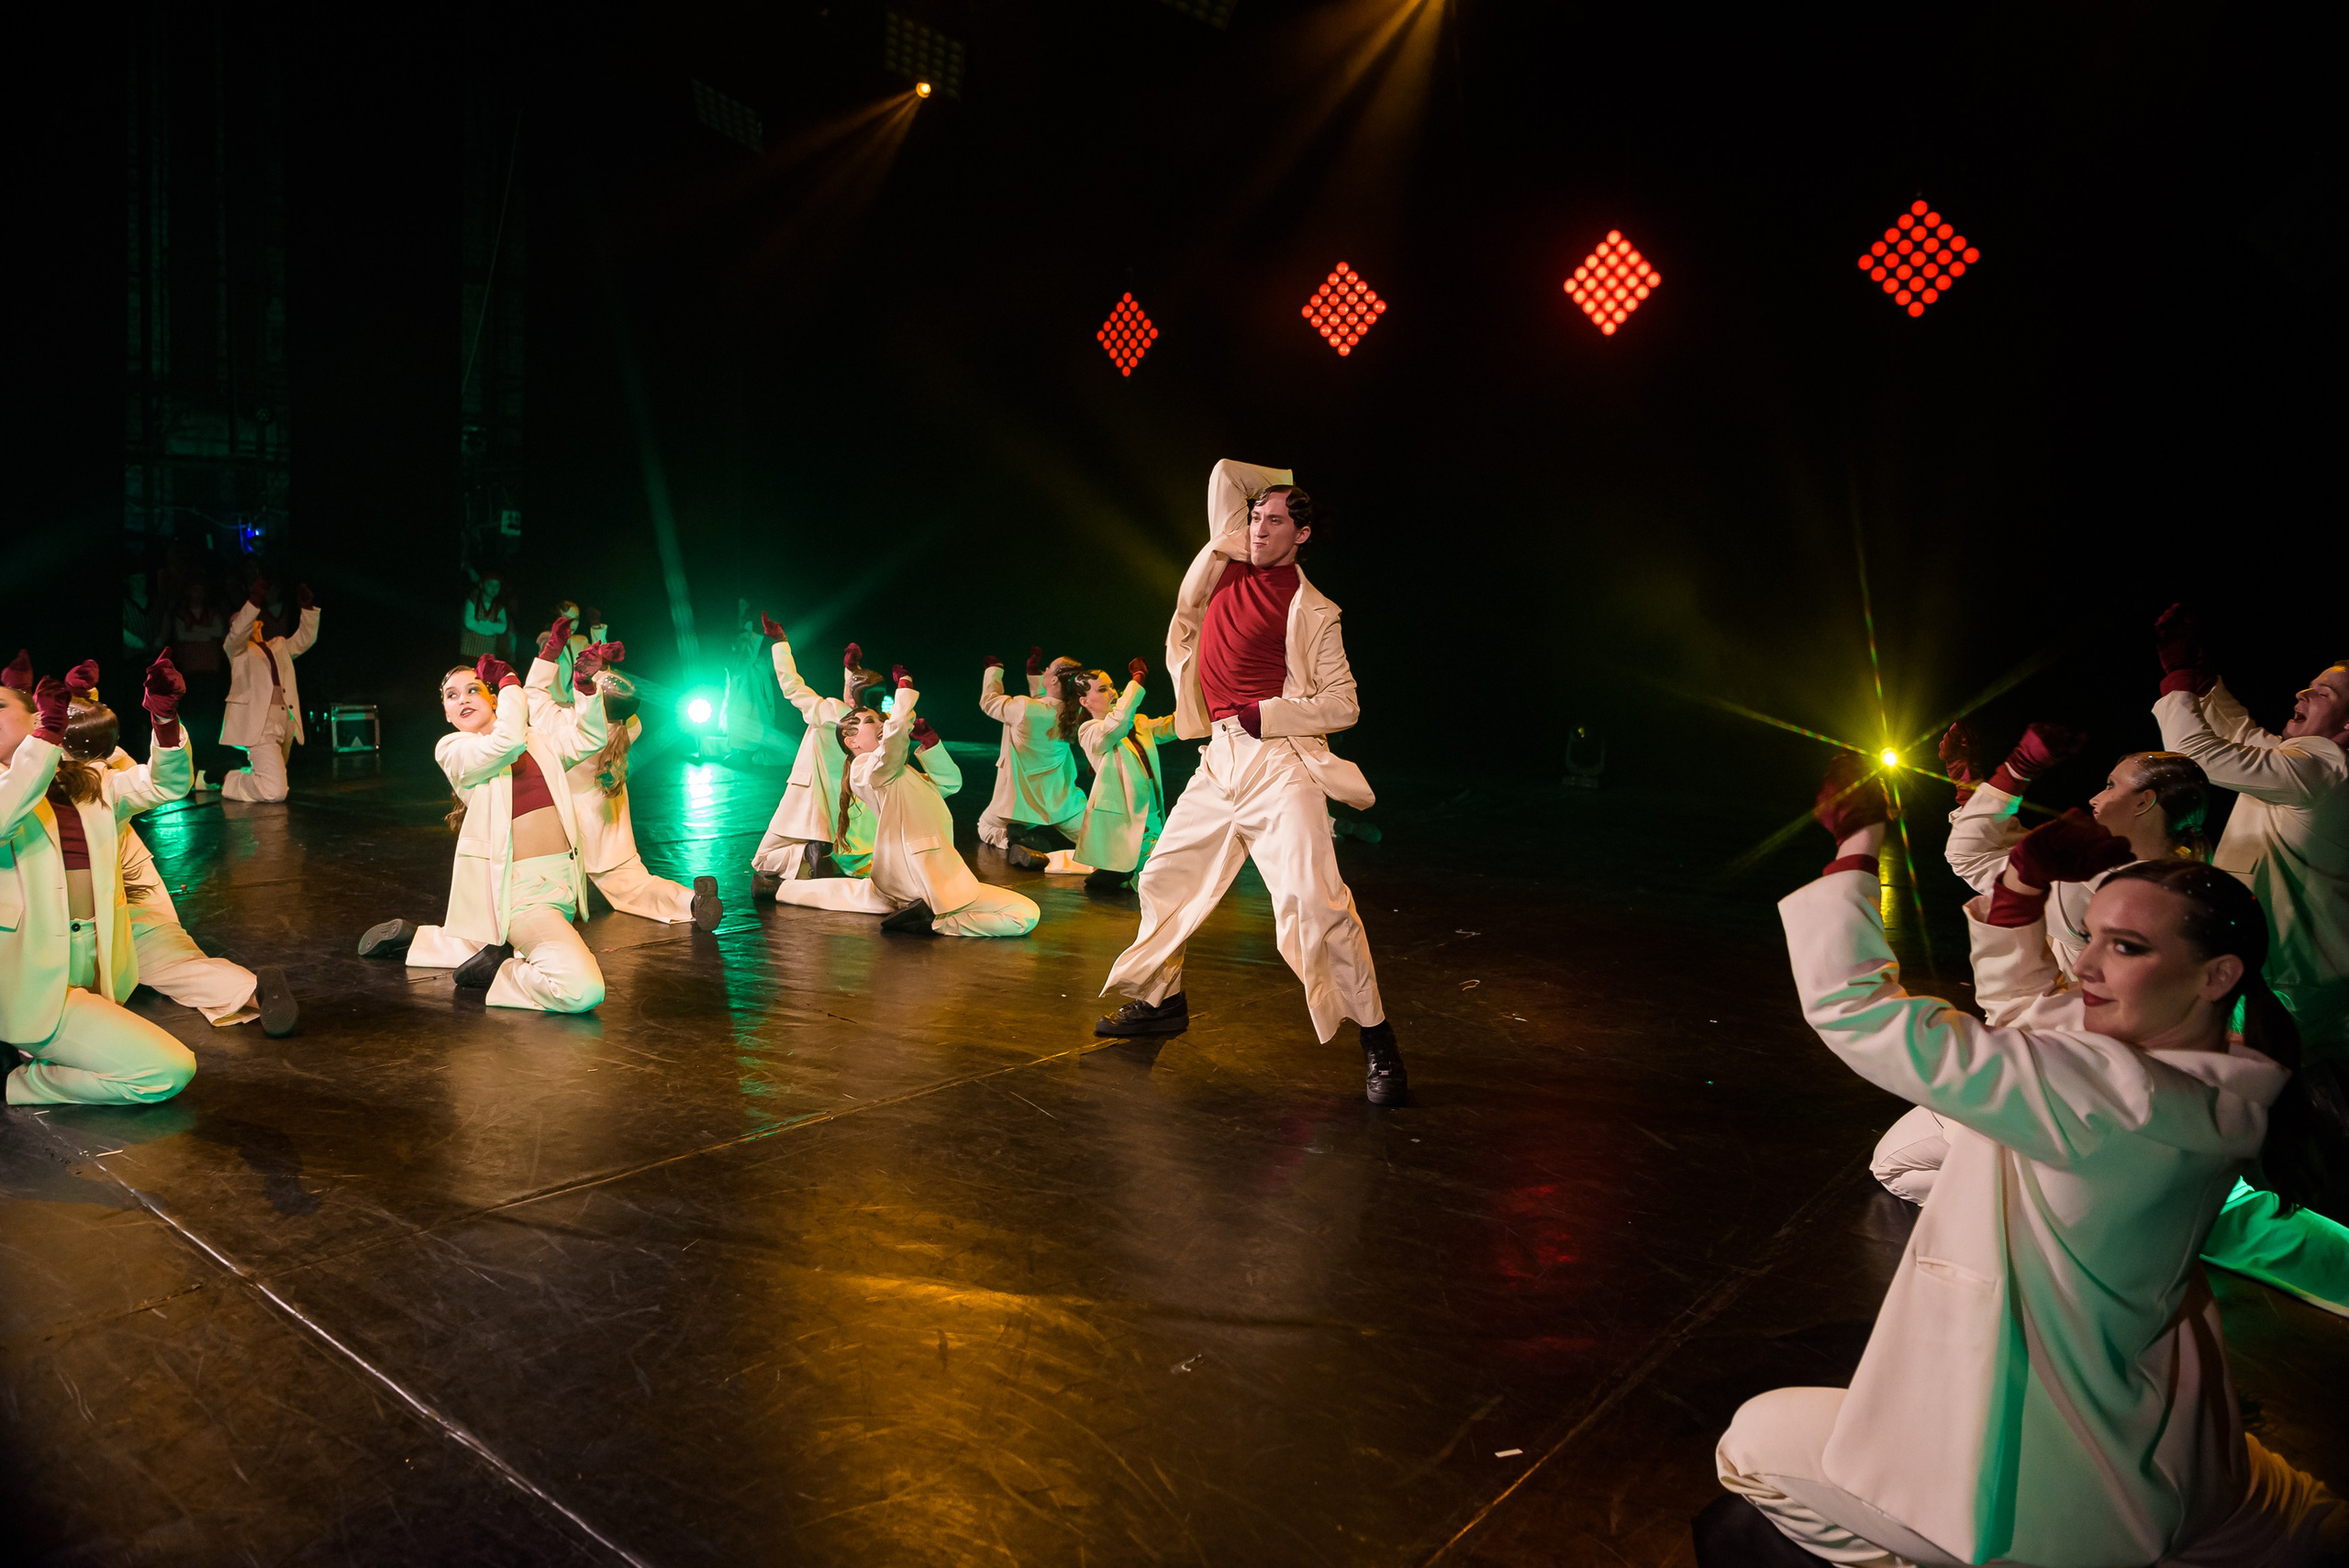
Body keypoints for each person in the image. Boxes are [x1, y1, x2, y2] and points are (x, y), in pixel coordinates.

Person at [1708, 755, 2346, 1565]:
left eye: (2125, 947)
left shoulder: (2110, 1095)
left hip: (2051, 1489)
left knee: (1752, 1442)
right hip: (2170, 1440)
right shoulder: (2224, 1077)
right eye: (2092, 938)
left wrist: (1856, 846)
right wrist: (2018, 893)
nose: (2085, 964)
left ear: (2216, 974)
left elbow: (1857, 1010)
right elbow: (2027, 1014)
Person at [1097, 461, 1403, 1104]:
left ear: (1304, 534)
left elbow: (1344, 703)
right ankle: (1162, 1000)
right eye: (1256, 517)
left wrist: (1274, 712)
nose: (1259, 529)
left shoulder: (1313, 609)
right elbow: (1223, 473)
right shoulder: (1229, 558)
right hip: (1219, 759)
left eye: (1275, 521)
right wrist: (1279, 485)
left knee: (1314, 903)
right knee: (1162, 879)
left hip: (1279, 763)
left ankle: (1378, 1041)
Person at [354, 651, 613, 1012]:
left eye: (472, 689)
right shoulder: (455, 749)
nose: (462, 699)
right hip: (522, 896)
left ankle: (423, 941)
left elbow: (589, 739)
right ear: (446, 713)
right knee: (581, 990)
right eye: (452, 695)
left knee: (517, 940)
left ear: (491, 699)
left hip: (562, 885)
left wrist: (585, 690)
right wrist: (509, 683)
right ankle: (502, 970)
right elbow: (505, 744)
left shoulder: (535, 739)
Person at [0, 656, 199, 1106]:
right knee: (167, 1070)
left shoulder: (89, 781)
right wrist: (46, 738)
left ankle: (32, 1059)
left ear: (34, 714)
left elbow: (165, 786)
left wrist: (165, 721)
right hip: (29, 981)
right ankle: (19, 1083)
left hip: (96, 966)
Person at [2150, 605, 2349, 1055]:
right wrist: (2202, 683)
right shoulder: (2304, 766)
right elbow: (2240, 733)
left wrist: (2179, 677)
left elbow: (2195, 753)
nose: (2302, 692)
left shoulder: (2328, 772)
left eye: (2323, 693)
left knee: (2253, 1098)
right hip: (2280, 975)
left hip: (2292, 986)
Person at [768, 674, 1039, 938]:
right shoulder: (865, 769)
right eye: (870, 721)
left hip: (931, 876)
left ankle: (782, 890)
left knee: (854, 895)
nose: (879, 722)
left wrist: (931, 745)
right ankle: (931, 923)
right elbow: (892, 749)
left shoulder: (898, 771)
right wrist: (904, 694)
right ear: (853, 742)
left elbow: (950, 784)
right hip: (917, 877)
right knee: (1023, 915)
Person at [521, 617, 720, 931]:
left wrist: (550, 652)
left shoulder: (567, 729)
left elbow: (533, 696)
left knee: (543, 895)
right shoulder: (631, 728)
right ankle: (691, 901)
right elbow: (610, 702)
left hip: (571, 837)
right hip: (612, 835)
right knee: (638, 886)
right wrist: (601, 670)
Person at [749, 618, 881, 895]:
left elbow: (793, 687)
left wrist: (780, 643)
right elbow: (859, 700)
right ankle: (819, 856)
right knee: (856, 856)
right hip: (848, 800)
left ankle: (810, 854)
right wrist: (853, 671)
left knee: (766, 860)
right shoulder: (878, 725)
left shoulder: (831, 711)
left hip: (814, 795)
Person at [1037, 659, 1175, 892]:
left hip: (1150, 811)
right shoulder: (1090, 731)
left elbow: (1173, 726)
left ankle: (1116, 871)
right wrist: (1137, 679)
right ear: (1085, 701)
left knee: (1158, 872)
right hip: (1124, 818)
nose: (1112, 692)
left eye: (1112, 686)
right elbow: (1117, 724)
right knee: (1147, 875)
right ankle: (1109, 871)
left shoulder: (1138, 723)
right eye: (1102, 689)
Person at [218, 576, 319, 802]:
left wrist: (307, 609)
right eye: (235, 622)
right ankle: (229, 778)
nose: (240, 625)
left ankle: (242, 775)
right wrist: (255, 599)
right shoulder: (236, 651)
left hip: (284, 721)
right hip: (260, 724)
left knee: (272, 778)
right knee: (275, 792)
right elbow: (238, 634)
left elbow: (305, 639)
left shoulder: (278, 646)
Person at [980, 646, 1088, 856]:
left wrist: (995, 670)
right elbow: (1045, 703)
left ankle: (1014, 841)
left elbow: (989, 701)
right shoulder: (1075, 713)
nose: (1045, 669)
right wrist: (1035, 675)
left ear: (1056, 679)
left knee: (985, 826)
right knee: (1093, 835)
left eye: (1049, 668)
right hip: (1063, 803)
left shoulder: (1024, 708)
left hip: (1021, 806)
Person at [461, 571, 508, 659]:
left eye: (497, 586)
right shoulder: (472, 601)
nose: (493, 588)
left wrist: (482, 622)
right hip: (468, 652)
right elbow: (469, 623)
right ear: (482, 585)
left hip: (487, 656)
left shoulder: (500, 608)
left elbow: (502, 628)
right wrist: (491, 631)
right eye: (490, 585)